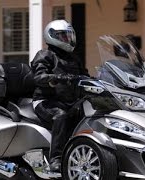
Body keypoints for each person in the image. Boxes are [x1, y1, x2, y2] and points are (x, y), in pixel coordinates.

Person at [30, 20, 89, 172]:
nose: (67, 39)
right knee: (61, 116)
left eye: (68, 35)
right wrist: (56, 78)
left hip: (71, 102)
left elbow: (85, 77)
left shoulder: (74, 58)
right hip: (46, 102)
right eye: (62, 36)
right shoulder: (45, 55)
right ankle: (55, 159)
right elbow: (38, 77)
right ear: (51, 36)